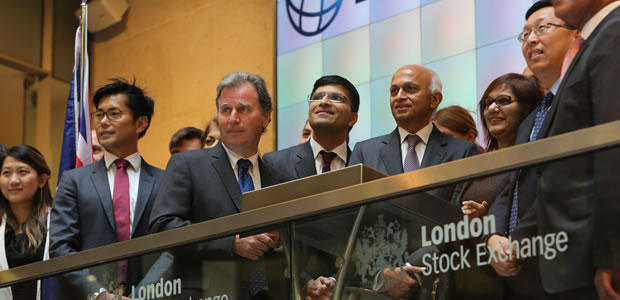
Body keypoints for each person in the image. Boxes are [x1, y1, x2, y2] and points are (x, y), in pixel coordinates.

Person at [149, 72, 289, 299]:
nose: (233, 118)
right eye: (225, 110)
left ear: (265, 117)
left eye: (243, 109)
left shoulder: (279, 179)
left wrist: (280, 239)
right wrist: (230, 244)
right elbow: (162, 226)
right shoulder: (188, 164)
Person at [349, 64, 478, 299]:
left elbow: (461, 221)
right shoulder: (365, 153)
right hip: (378, 287)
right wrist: (381, 276)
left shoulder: (463, 151)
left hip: (441, 282)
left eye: (410, 89)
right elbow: (352, 226)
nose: (399, 97)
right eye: (394, 91)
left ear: (434, 99)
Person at [480, 2, 579, 299]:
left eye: (542, 28)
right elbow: (510, 189)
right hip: (525, 273)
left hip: (567, 260)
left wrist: (518, 241)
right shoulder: (530, 122)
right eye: (525, 34)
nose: (532, 39)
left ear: (575, 36)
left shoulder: (580, 101)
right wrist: (494, 237)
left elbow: (564, 180)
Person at [50, 78, 164, 299]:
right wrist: (98, 294)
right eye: (99, 114)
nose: (103, 122)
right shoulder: (74, 181)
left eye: (114, 114)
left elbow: (172, 246)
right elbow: (61, 247)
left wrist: (143, 294)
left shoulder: (164, 180)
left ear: (140, 123)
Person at [537, 0, 620, 298]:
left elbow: (613, 147)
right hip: (574, 260)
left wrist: (612, 253)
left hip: (598, 263)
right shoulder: (592, 42)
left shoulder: (615, 30)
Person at [262, 75, 359, 298]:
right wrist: (305, 282)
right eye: (317, 97)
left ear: (353, 117)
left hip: (349, 290)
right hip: (291, 288)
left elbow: (367, 238)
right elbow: (272, 235)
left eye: (336, 98)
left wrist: (335, 282)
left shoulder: (363, 166)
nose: (324, 101)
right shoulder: (275, 163)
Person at [455, 73, 543, 299]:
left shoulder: (532, 162)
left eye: (503, 101)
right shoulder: (474, 164)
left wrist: (486, 222)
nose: (492, 108)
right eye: (486, 103)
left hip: (523, 280)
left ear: (528, 108)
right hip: (471, 282)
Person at [0, 145, 53, 300]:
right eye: (6, 173)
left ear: (42, 180)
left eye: (23, 172)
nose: (14, 180)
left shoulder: (58, 221)